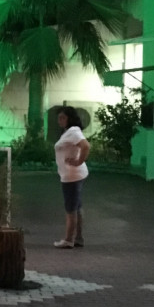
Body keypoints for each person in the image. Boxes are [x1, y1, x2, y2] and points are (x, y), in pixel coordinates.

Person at [53, 106, 90, 249]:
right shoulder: (70, 132)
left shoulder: (73, 131)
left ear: (70, 118)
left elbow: (85, 146)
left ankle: (69, 239)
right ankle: (78, 238)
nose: (59, 120)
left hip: (71, 176)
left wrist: (78, 161)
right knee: (76, 207)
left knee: (71, 209)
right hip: (73, 174)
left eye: (62, 117)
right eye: (59, 118)